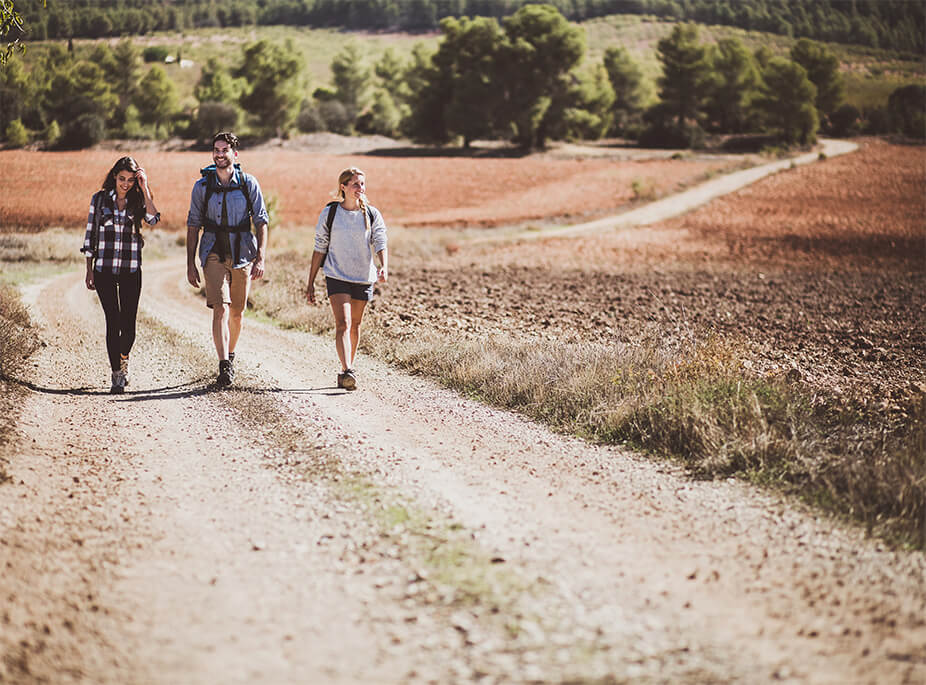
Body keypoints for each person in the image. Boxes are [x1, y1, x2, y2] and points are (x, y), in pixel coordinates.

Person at [186, 131, 269, 387]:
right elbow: (193, 224)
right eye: (216, 150)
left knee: (237, 313)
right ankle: (223, 365)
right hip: (212, 251)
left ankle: (230, 355)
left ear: (235, 154)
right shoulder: (202, 186)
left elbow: (261, 221)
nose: (220, 154)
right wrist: (190, 262)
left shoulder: (248, 183)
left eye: (225, 150)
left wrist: (260, 257)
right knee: (220, 308)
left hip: (243, 252)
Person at [81, 156, 160, 394]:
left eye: (130, 180)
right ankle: (117, 374)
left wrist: (145, 187)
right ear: (114, 176)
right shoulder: (100, 199)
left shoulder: (139, 200)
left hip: (131, 269)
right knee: (112, 322)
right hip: (104, 269)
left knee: (129, 326)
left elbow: (153, 219)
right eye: (122, 178)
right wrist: (88, 269)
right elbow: (90, 234)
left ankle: (123, 359)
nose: (125, 184)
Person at [304, 167, 388, 391]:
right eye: (355, 184)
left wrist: (384, 266)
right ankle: (348, 369)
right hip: (336, 275)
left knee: (356, 325)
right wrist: (310, 282)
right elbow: (319, 246)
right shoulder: (331, 213)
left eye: (362, 184)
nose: (360, 188)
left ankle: (345, 372)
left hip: (363, 277)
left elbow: (380, 241)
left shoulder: (371, 214)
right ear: (343, 187)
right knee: (344, 323)